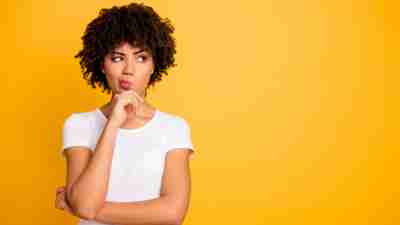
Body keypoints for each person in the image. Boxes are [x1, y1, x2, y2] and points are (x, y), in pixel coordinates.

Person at [54, 3, 195, 225]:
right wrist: (113, 124)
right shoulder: (79, 124)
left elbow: (172, 213)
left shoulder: (174, 128)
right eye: (117, 58)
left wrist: (83, 208)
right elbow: (84, 204)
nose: (129, 69)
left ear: (153, 65)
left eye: (141, 58)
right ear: (102, 64)